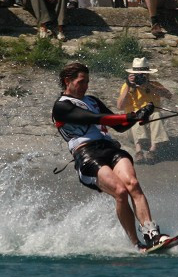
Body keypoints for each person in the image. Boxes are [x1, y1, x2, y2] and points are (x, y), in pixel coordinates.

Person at [52, 61, 166, 251]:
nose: (85, 86)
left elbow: (119, 126)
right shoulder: (61, 106)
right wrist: (130, 116)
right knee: (120, 192)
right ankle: (136, 244)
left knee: (133, 184)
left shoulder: (93, 101)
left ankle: (152, 234)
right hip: (86, 154)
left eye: (87, 82)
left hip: (110, 149)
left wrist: (141, 114)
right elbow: (94, 118)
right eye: (81, 82)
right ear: (67, 81)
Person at [116, 57, 172, 164]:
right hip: (133, 126)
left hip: (152, 122)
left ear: (148, 75)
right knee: (137, 114)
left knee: (155, 114)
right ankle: (139, 150)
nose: (140, 77)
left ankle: (153, 150)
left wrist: (149, 85)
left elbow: (169, 95)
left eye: (143, 74)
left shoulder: (154, 85)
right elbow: (119, 106)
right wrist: (128, 86)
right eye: (138, 75)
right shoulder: (127, 86)